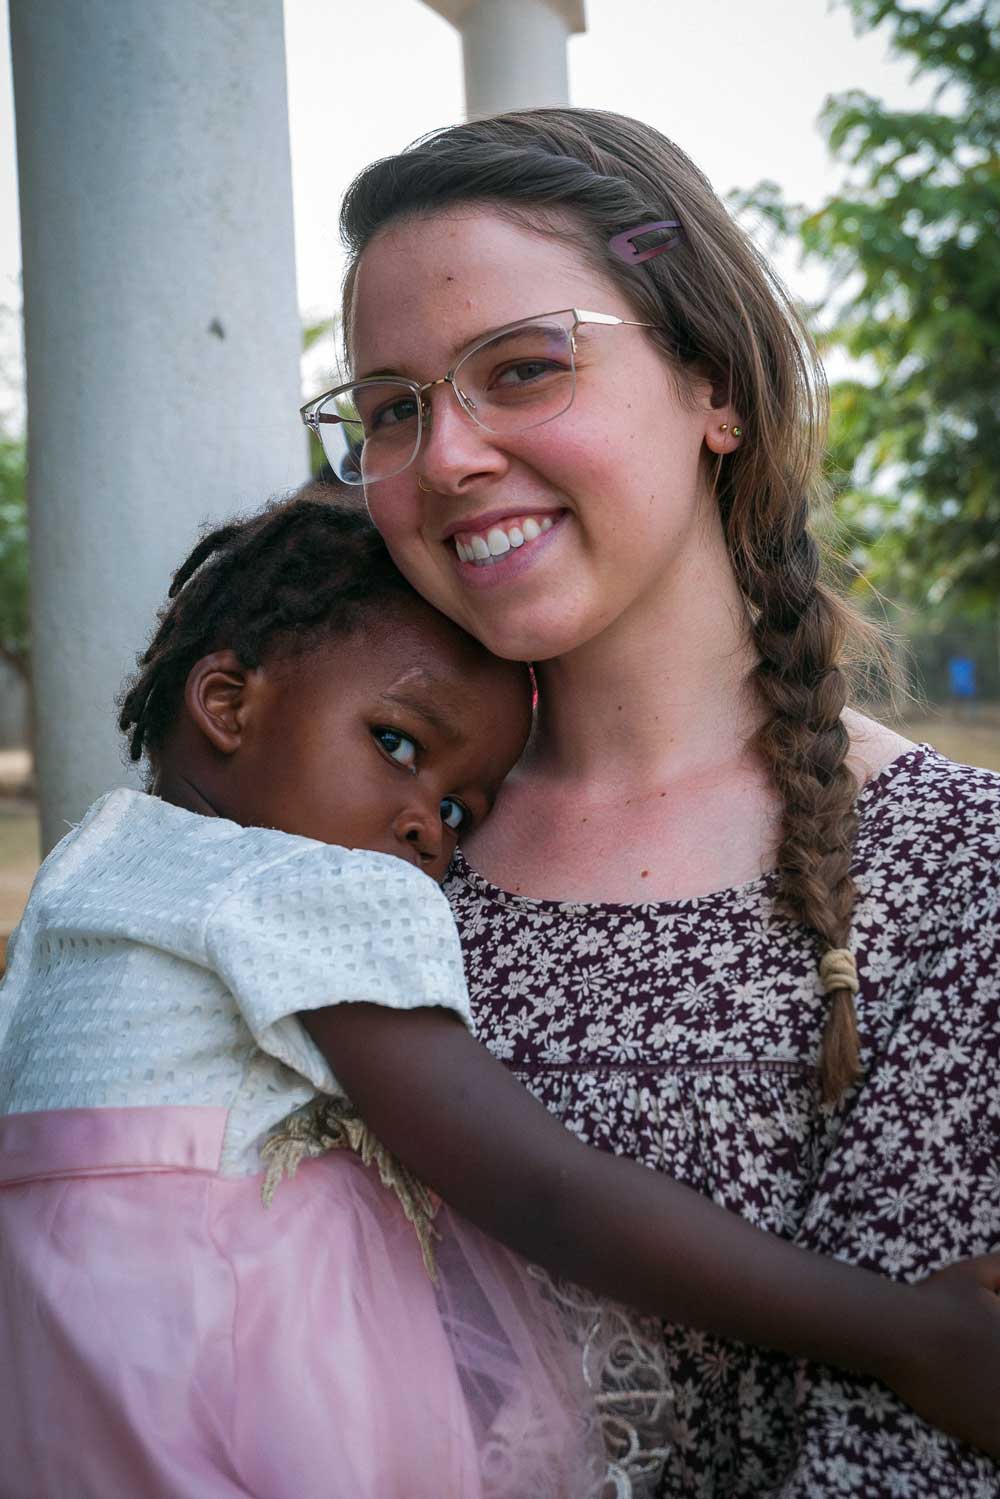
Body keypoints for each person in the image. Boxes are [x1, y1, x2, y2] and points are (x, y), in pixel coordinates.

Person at [0, 498, 997, 1499]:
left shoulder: (88, 864)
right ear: (226, 701)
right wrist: (895, 1329)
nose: (424, 829)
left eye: (453, 809)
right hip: (243, 1397)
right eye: (395, 743)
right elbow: (537, 1182)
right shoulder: (299, 887)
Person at [298, 108, 1000, 1497]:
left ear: (714, 385)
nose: (445, 458)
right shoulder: (356, 841)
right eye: (393, 407)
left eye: (522, 367)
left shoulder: (950, 877)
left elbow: (913, 1444)